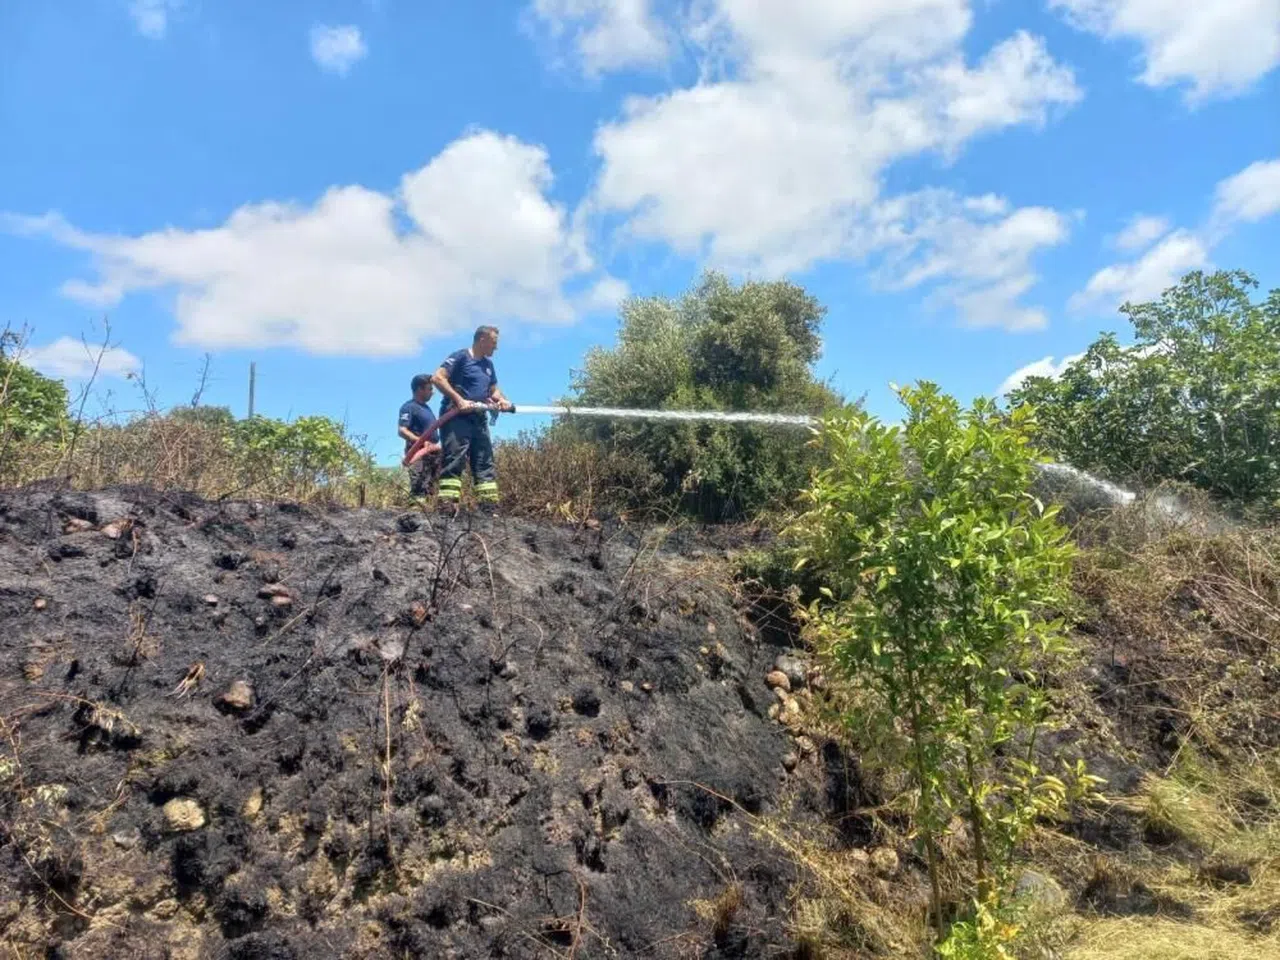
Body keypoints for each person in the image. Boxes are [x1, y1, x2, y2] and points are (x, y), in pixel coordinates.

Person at [431, 325, 513, 511]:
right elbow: (437, 378)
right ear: (482, 340)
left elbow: (493, 390)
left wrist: (502, 400)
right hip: (456, 418)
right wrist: (459, 400)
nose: (496, 348)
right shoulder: (460, 357)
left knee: (484, 461)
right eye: (494, 343)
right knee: (455, 459)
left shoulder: (488, 365)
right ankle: (447, 506)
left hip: (479, 418)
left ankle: (489, 508)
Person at [398, 374, 441, 502]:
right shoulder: (409, 407)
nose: (432, 393)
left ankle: (431, 513)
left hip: (433, 452)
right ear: (419, 389)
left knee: (434, 486)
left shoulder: (427, 409)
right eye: (429, 389)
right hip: (418, 452)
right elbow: (402, 430)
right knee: (419, 486)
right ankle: (415, 513)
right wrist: (420, 442)